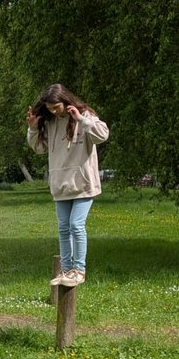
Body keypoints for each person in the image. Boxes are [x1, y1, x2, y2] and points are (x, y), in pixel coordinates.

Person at [25, 84, 110, 286]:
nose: (53, 111)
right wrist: (33, 127)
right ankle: (66, 270)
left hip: (83, 184)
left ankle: (79, 270)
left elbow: (102, 135)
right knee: (63, 228)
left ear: (65, 100)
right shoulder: (51, 121)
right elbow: (38, 148)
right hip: (60, 185)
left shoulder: (85, 114)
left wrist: (81, 120)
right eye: (50, 108)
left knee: (76, 225)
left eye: (56, 107)